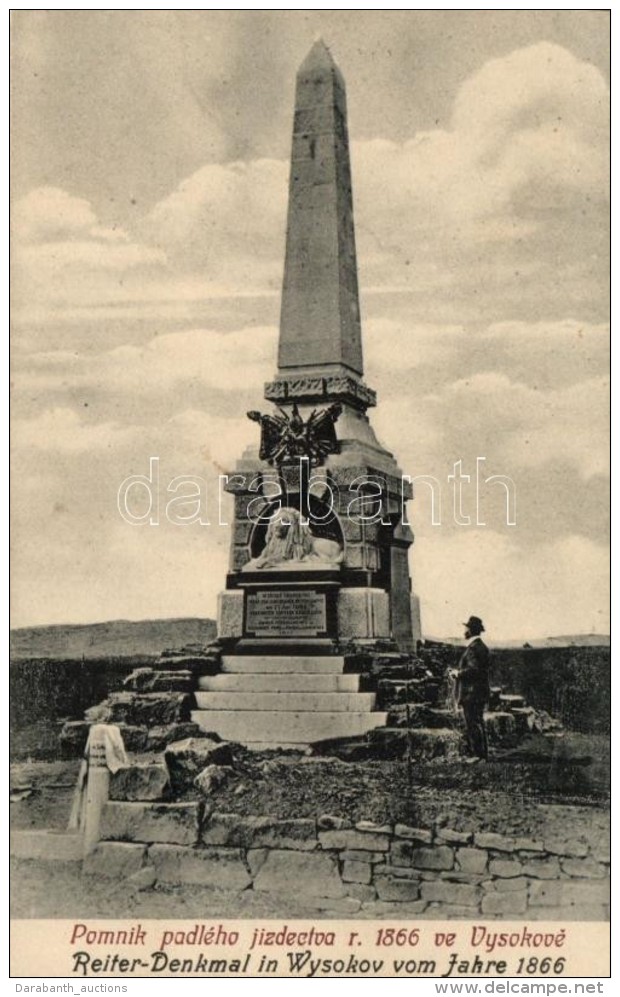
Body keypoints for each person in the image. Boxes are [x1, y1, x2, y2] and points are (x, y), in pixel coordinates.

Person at [451, 615, 490, 761]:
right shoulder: (482, 647)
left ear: (471, 630)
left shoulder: (473, 648)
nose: (464, 630)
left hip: (471, 693)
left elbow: (473, 670)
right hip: (480, 692)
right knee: (478, 722)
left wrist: (458, 673)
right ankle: (482, 755)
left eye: (466, 628)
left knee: (473, 723)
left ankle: (478, 756)